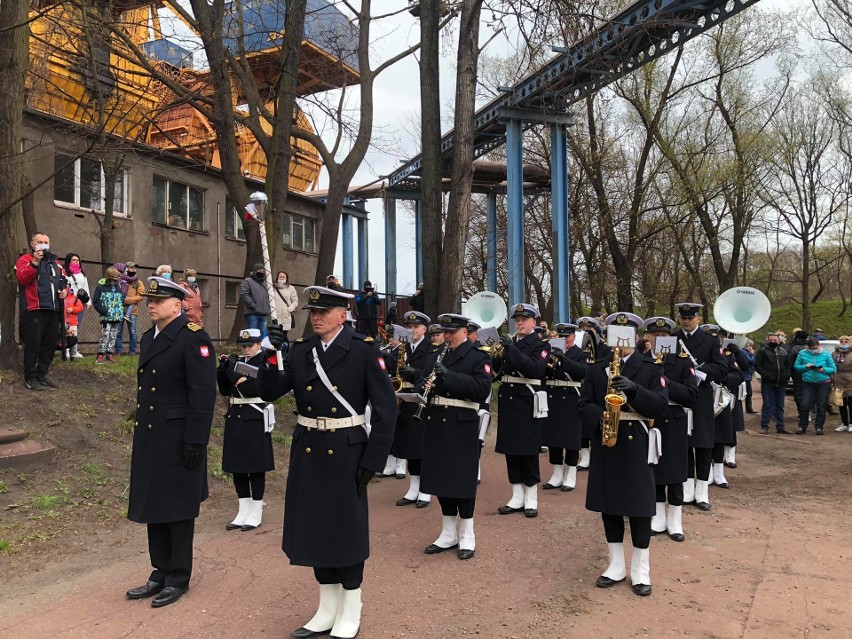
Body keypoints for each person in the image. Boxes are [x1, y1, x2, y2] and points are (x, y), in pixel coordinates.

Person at [258, 286, 396, 639]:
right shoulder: (302, 351)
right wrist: (271, 353)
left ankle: (351, 608)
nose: (315, 316)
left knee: (345, 531)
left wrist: (373, 460)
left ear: (342, 314)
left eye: (323, 311)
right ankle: (326, 608)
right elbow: (270, 390)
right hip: (309, 449)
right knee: (316, 528)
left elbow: (386, 410)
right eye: (312, 311)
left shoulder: (364, 351)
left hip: (348, 451)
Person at [126, 276, 217, 608]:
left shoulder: (193, 338)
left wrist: (196, 440)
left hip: (180, 439)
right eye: (149, 300)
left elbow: (204, 394)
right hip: (153, 436)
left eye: (158, 300)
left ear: (178, 304)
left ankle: (179, 576)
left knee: (177, 508)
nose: (150, 304)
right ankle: (160, 570)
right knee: (155, 503)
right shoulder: (151, 337)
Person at [578, 312, 668, 597]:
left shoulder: (651, 368)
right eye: (615, 334)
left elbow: (661, 408)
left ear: (635, 337)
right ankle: (616, 564)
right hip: (608, 441)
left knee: (640, 508)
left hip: (637, 443)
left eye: (626, 334)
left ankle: (641, 569)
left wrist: (635, 390)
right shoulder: (596, 369)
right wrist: (603, 418)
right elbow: (583, 406)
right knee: (610, 505)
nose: (620, 340)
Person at [417, 313, 492, 560]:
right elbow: (425, 384)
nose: (446, 336)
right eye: (444, 332)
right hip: (437, 421)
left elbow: (482, 389)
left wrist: (449, 375)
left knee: (462, 480)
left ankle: (467, 533)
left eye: (451, 332)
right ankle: (448, 532)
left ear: (464, 331)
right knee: (441, 478)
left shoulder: (478, 357)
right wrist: (421, 386)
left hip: (462, 424)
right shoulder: (436, 356)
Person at [494, 303, 550, 518]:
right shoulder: (511, 343)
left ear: (533, 323)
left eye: (524, 320)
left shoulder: (541, 345)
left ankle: (531, 498)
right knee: (511, 450)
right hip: (509, 400)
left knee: (527, 451)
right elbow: (498, 371)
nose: (519, 323)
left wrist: (511, 349)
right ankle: (516, 496)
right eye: (517, 320)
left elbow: (534, 368)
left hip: (527, 402)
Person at [644, 317, 697, 542]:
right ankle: (657, 516)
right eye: (655, 335)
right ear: (648, 337)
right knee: (653, 468)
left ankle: (675, 518)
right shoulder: (642, 361)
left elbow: (691, 395)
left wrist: (664, 381)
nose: (660, 340)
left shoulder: (683, 361)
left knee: (675, 472)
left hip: (674, 420)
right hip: (650, 421)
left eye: (664, 336)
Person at [672, 303, 728, 511]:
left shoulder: (710, 341)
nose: (686, 321)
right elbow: (663, 364)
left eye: (690, 317)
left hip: (702, 397)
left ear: (699, 318)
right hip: (680, 396)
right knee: (684, 444)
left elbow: (722, 368)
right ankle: (687, 489)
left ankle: (702, 490)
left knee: (704, 444)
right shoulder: (673, 338)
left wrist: (700, 372)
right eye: (683, 318)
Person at [218, 328, 274, 531]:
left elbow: (250, 387)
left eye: (250, 345)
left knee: (255, 467)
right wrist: (222, 369)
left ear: (259, 344)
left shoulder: (264, 363)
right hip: (236, 417)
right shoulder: (240, 363)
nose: (246, 349)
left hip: (255, 416)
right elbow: (225, 390)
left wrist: (232, 370)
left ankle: (256, 510)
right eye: (242, 346)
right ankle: (243, 509)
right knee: (237, 466)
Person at [388, 311, 433, 508]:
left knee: (421, 446)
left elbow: (432, 373)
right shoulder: (401, 348)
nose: (412, 330)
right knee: (408, 446)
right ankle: (413, 487)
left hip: (421, 403)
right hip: (403, 401)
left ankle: (425, 489)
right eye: (409, 327)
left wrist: (415, 373)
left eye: (416, 327)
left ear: (424, 329)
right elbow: (390, 369)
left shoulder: (432, 349)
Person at [16, 233, 68, 390]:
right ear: (32, 244)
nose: (43, 245)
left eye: (46, 242)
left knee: (50, 344)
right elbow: (22, 278)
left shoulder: (56, 263)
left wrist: (65, 291)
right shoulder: (25, 260)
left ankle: (41, 374)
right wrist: (35, 262)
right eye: (40, 242)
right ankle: (29, 378)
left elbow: (64, 282)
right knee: (33, 344)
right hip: (35, 309)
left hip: (54, 309)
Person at [541, 323, 586, 493]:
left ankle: (571, 474)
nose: (564, 340)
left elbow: (582, 372)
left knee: (571, 439)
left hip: (572, 398)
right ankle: (557, 473)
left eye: (567, 336)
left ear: (573, 337)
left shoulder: (579, 354)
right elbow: (542, 372)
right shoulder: (550, 352)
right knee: (554, 437)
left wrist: (564, 360)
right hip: (553, 397)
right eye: (561, 337)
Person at [574, 316, 608, 470]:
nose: (586, 332)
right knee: (582, 421)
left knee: (594, 421)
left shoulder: (603, 347)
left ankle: (594, 454)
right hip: (580, 384)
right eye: (582, 329)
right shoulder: (578, 345)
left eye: (589, 329)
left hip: (597, 385)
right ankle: (585, 456)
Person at [794, 338, 837, 435]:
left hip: (823, 382)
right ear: (807, 347)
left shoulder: (826, 354)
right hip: (808, 382)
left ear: (819, 346)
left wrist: (823, 370)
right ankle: (802, 426)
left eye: (815, 348)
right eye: (811, 348)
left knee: (821, 405)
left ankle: (819, 427)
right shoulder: (802, 353)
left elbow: (833, 368)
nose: (814, 350)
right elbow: (796, 366)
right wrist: (805, 367)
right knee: (805, 405)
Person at [753, 332, 792, 435]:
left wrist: (787, 376)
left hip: (781, 382)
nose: (773, 342)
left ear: (779, 340)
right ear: (768, 340)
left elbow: (788, 365)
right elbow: (757, 365)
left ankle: (780, 426)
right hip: (768, 383)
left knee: (780, 405)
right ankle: (765, 426)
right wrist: (765, 375)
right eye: (771, 340)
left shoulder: (783, 351)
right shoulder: (763, 351)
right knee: (768, 405)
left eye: (775, 340)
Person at [92, 267, 125, 364]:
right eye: (115, 277)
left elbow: (121, 301)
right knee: (105, 335)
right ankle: (100, 354)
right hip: (106, 316)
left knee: (113, 336)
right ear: (110, 277)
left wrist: (120, 312)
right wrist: (104, 311)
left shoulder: (118, 288)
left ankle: (109, 353)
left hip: (116, 316)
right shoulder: (100, 287)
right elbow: (96, 302)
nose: (117, 279)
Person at [63, 252, 90, 357]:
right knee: (67, 326)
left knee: (76, 325)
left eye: (77, 260)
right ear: (69, 261)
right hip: (68, 302)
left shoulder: (82, 274)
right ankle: (67, 350)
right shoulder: (65, 272)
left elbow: (85, 287)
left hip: (79, 302)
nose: (76, 261)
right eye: (73, 260)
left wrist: (88, 301)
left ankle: (74, 349)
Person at [116, 261, 145, 356]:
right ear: (126, 269)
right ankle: (118, 351)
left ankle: (132, 352)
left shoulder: (138, 282)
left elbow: (140, 296)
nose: (134, 270)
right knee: (118, 331)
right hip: (119, 309)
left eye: (135, 268)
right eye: (131, 268)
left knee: (133, 332)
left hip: (132, 310)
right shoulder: (120, 280)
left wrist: (127, 300)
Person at [240, 263, 271, 338]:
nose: (262, 272)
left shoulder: (265, 284)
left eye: (263, 271)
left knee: (264, 335)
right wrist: (253, 306)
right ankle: (253, 349)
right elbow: (244, 294)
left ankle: (263, 349)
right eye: (260, 270)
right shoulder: (248, 281)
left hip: (263, 313)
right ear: (255, 271)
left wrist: (267, 307)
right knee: (253, 335)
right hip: (252, 313)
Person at [272, 271, 299, 344]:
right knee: (275, 336)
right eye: (280, 276)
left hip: (285, 315)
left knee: (283, 337)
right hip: (275, 316)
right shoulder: (273, 288)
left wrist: (289, 309)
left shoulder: (291, 288)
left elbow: (295, 301)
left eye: (283, 277)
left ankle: (286, 353)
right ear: (277, 277)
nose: (282, 278)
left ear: (286, 278)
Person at [834, 336, 852, 432]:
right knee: (841, 403)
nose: (844, 342)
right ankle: (844, 423)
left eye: (846, 340)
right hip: (839, 380)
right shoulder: (835, 353)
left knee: (851, 403)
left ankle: (851, 423)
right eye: (841, 341)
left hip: (850, 380)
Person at [62, 288, 84, 362]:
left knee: (73, 340)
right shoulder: (60, 297)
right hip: (63, 323)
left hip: (72, 323)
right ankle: (64, 355)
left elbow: (80, 307)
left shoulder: (74, 298)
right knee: (63, 340)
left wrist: (72, 309)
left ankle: (73, 356)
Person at [742, 340, 757, 415]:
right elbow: (750, 361)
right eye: (750, 345)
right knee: (748, 393)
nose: (751, 347)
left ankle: (749, 408)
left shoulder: (746, 352)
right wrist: (752, 354)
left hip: (747, 375)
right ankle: (749, 409)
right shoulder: (744, 352)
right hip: (745, 376)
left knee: (749, 393)